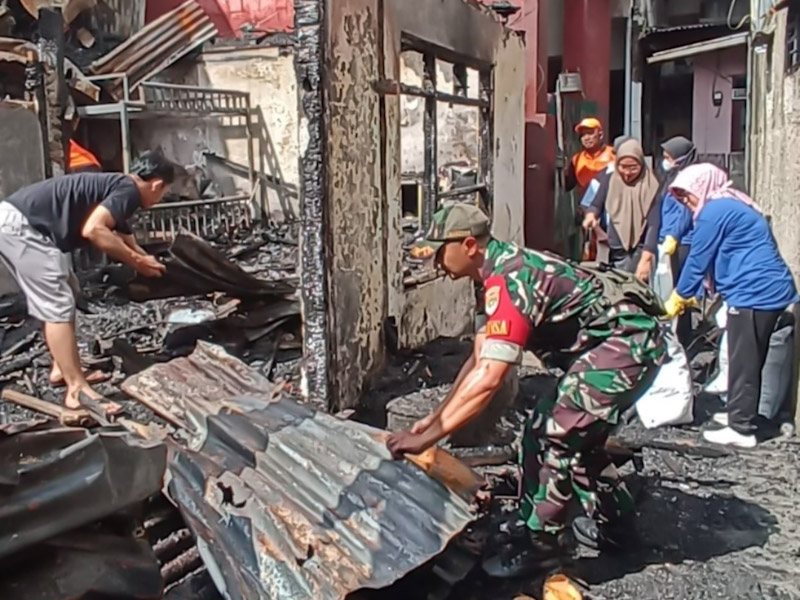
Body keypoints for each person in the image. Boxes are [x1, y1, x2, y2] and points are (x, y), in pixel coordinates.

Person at [387, 203, 666, 578]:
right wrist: (434, 419)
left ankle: (542, 551)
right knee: (579, 435)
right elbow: (480, 358)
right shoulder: (493, 273)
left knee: (550, 434)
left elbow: (490, 377)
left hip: (626, 344)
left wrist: (432, 438)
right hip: (614, 344)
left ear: (469, 245)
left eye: (440, 251)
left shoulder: (508, 280)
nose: (436, 263)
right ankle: (619, 529)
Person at [0, 152, 176, 415]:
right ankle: (76, 390)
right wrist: (137, 263)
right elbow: (94, 230)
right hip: (24, 227)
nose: (159, 198)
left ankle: (62, 368)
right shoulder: (127, 191)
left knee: (68, 290)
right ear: (156, 185)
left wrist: (142, 257)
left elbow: (124, 235)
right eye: (164, 192)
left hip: (21, 222)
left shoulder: (120, 189)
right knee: (56, 303)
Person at [666, 164, 798, 449]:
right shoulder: (730, 204)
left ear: (701, 186)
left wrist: (679, 295)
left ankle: (742, 428)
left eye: (687, 195)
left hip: (754, 293)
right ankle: (742, 415)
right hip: (765, 290)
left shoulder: (714, 211)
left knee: (743, 362)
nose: (687, 203)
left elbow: (699, 257)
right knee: (748, 359)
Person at [638, 136, 698, 346]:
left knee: (678, 289)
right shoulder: (672, 177)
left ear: (681, 158)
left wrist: (674, 235)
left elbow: (685, 212)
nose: (665, 162)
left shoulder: (687, 179)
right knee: (668, 287)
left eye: (669, 157)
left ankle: (682, 336)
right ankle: (675, 333)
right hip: (668, 239)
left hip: (682, 242)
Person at [581, 139, 659, 279]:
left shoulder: (651, 186)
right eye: (623, 167)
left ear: (642, 164)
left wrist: (646, 259)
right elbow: (595, 205)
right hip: (613, 249)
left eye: (633, 167)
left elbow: (654, 224)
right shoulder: (610, 180)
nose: (627, 173)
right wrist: (591, 216)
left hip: (639, 250)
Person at [565, 118, 615, 261]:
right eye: (583, 135)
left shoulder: (613, 155)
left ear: (600, 134)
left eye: (590, 133)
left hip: (609, 209)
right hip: (587, 210)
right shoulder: (577, 159)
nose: (586, 138)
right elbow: (568, 185)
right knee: (588, 251)